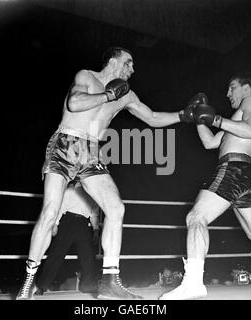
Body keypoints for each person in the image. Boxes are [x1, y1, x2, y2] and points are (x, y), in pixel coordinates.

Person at [16, 46, 200, 300]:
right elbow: (74, 102)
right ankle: (28, 282)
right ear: (113, 61)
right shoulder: (86, 77)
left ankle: (111, 280)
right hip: (65, 144)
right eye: (128, 63)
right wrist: (108, 95)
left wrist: (185, 115)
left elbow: (153, 117)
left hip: (91, 151)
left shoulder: (127, 95)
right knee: (49, 213)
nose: (132, 69)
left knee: (116, 208)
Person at [159, 73, 251, 300]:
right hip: (246, 174)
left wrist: (216, 119)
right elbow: (210, 142)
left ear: (246, 87)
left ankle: (194, 283)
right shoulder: (238, 120)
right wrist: (199, 118)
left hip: (234, 168)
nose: (228, 94)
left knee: (196, 217)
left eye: (232, 87)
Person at [34, 180, 100, 295]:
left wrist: (96, 229)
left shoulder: (93, 195)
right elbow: (60, 208)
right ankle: (41, 286)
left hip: (83, 224)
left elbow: (94, 214)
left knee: (88, 256)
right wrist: (55, 224)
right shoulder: (70, 191)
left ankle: (87, 286)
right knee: (56, 254)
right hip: (67, 222)